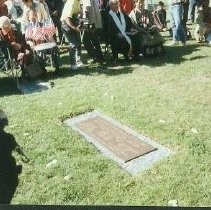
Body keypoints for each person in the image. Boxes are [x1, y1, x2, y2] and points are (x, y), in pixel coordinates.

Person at [0, 109, 29, 204]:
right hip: (7, 168)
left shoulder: (9, 138)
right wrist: (23, 155)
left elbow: (16, 147)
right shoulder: (8, 137)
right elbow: (16, 148)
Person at [60, 0, 84, 70]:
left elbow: (77, 13)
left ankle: (79, 61)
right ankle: (73, 64)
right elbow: (67, 18)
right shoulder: (72, 2)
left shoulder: (78, 1)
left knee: (78, 43)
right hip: (66, 24)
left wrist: (81, 16)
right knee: (73, 44)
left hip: (74, 22)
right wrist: (75, 28)